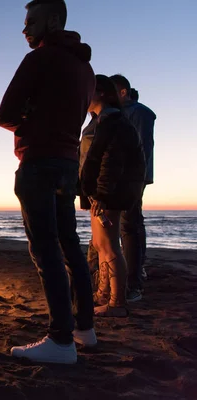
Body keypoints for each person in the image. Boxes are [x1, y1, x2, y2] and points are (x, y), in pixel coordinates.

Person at [0, 0, 96, 364]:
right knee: (69, 243)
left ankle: (60, 339)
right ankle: (85, 329)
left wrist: (31, 121)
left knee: (45, 248)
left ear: (53, 20)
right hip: (69, 165)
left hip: (39, 162)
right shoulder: (86, 69)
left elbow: (5, 114)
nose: (25, 30)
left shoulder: (38, 59)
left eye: (31, 22)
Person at [79, 75, 146, 317]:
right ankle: (103, 294)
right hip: (99, 193)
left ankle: (117, 303)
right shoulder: (99, 121)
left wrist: (102, 195)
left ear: (103, 94)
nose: (85, 95)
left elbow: (112, 162)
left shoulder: (114, 122)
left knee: (109, 246)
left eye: (90, 90)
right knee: (100, 244)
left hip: (109, 193)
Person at [110, 74, 157, 302]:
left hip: (130, 180)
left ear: (123, 92)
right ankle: (130, 274)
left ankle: (134, 282)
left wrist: (137, 179)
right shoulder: (114, 114)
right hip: (115, 179)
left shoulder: (139, 113)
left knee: (130, 226)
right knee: (124, 226)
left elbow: (142, 149)